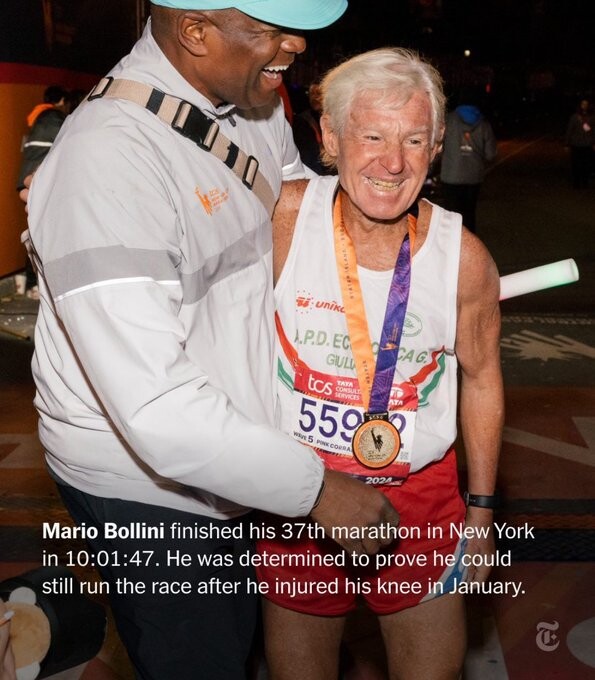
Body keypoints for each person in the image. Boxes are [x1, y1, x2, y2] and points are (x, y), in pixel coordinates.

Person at [24, 3, 400, 679]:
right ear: (195, 32)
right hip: (152, 491)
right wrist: (319, 491)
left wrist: (407, 257)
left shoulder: (252, 101)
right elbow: (157, 410)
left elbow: (295, 209)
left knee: (238, 635)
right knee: (201, 657)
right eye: (268, 29)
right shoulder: (105, 166)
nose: (295, 43)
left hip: (233, 449)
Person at [256, 48, 504, 679]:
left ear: (437, 147)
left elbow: (481, 378)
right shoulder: (281, 221)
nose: (393, 163)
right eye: (372, 136)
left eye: (414, 140)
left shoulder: (464, 258)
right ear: (329, 138)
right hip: (299, 496)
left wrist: (481, 511)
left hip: (420, 501)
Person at [16, 85, 68, 299]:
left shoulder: (36, 117)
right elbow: (67, 145)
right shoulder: (53, 118)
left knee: (36, 230)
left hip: (28, 180)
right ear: (62, 100)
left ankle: (33, 284)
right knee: (44, 233)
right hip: (38, 181)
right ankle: (36, 284)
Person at [439, 87, 497, 233]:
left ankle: (450, 240)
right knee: (469, 212)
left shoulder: (448, 120)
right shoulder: (484, 124)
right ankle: (468, 240)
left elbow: (437, 147)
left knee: (450, 214)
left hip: (451, 176)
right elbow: (490, 154)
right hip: (473, 177)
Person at [292, 80, 331, 175]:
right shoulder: (302, 120)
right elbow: (308, 157)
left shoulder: (336, 118)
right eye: (311, 94)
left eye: (318, 93)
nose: (314, 97)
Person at [564, 98, 595, 189]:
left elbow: (593, 131)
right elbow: (569, 130)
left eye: (586, 104)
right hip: (576, 144)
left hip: (587, 144)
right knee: (575, 164)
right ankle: (576, 182)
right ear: (580, 105)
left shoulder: (592, 117)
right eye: (583, 104)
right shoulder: (574, 117)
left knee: (586, 164)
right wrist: (566, 143)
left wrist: (593, 142)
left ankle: (585, 182)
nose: (584, 106)